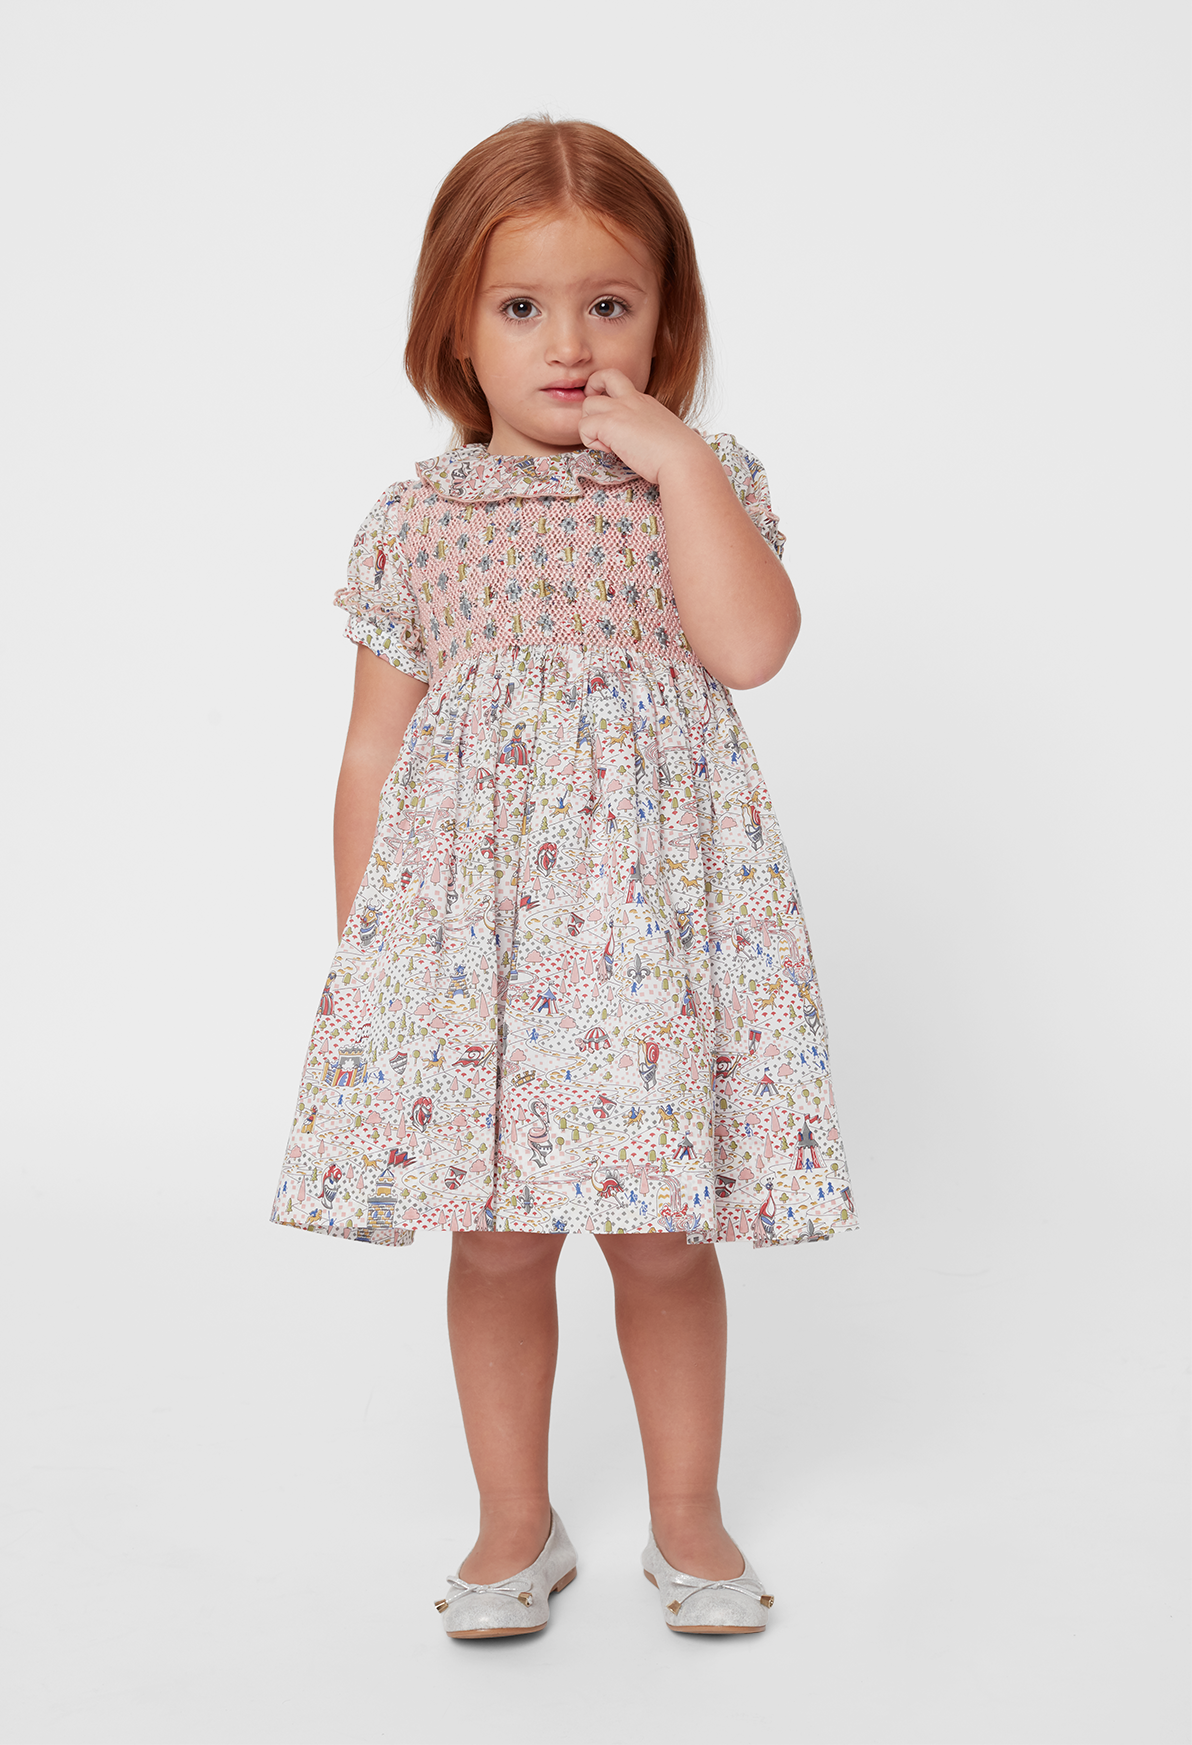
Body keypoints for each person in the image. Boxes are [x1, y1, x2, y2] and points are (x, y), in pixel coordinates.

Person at [269, 117, 859, 1639]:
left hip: (651, 952)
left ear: (667, 320)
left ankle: (687, 1517)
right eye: (523, 307)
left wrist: (674, 459)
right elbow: (368, 756)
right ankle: (512, 1525)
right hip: (481, 962)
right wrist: (375, 970)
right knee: (496, 1240)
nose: (572, 344)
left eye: (611, 304)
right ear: (455, 330)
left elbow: (750, 649)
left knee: (660, 1241)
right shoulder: (420, 522)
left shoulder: (700, 483)